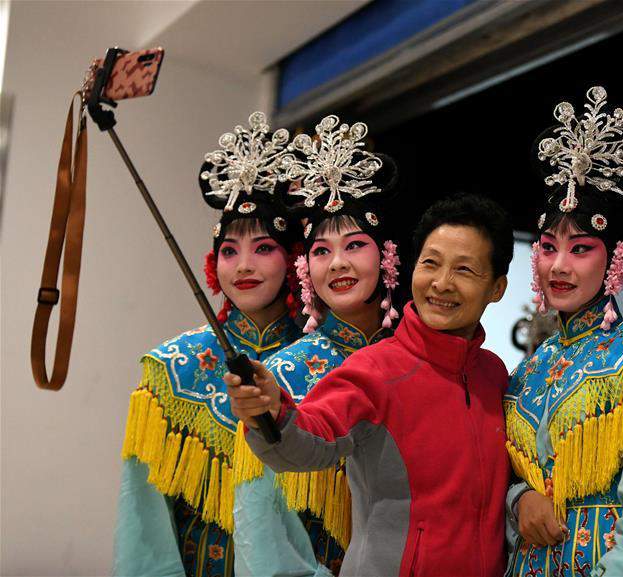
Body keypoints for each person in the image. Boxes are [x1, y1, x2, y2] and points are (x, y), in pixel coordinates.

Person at [227, 192, 514, 577]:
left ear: (497, 288)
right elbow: (309, 439)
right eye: (431, 263)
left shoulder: (494, 374)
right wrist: (272, 414)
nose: (442, 283)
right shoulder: (376, 369)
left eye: (464, 270)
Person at [504, 86, 623, 577]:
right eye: (548, 246)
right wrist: (518, 500)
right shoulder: (528, 368)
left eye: (581, 248)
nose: (558, 266)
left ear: (616, 259)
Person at [113, 112, 305, 577]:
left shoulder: (321, 361)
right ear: (211, 264)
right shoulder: (171, 366)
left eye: (263, 248)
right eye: (229, 251)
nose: (243, 266)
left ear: (294, 259)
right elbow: (146, 522)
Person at [229, 115, 401, 576]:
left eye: (355, 245)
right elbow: (258, 531)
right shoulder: (280, 374)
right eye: (321, 251)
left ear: (387, 256)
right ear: (304, 269)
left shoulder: (412, 362)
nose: (337, 263)